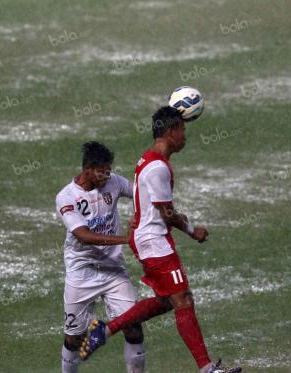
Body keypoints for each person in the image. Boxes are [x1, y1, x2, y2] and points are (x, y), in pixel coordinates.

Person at [80, 107, 241, 373]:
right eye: (182, 130)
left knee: (168, 300)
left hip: (149, 241)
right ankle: (207, 368)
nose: (185, 136)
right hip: (155, 242)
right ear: (170, 132)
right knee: (184, 301)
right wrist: (191, 230)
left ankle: (106, 329)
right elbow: (166, 214)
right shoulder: (157, 167)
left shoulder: (149, 160)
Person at [55, 141, 145, 373]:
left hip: (113, 270)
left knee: (133, 325)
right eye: (102, 170)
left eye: (109, 169)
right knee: (74, 338)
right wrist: (126, 239)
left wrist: (138, 214)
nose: (107, 174)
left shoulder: (113, 181)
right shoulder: (66, 197)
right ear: (87, 169)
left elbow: (140, 193)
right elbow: (84, 235)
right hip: (81, 272)